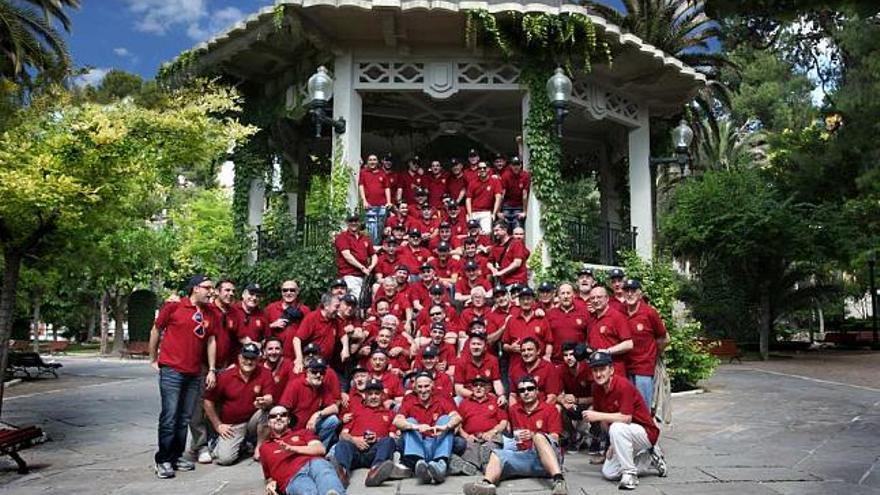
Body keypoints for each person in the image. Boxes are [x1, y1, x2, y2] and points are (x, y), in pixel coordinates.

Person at [149, 274, 219, 479]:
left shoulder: (210, 312)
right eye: (207, 287)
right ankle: (162, 460)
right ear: (195, 288)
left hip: (194, 372)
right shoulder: (174, 307)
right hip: (172, 370)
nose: (211, 291)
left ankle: (176, 456)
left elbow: (211, 340)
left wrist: (212, 369)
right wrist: (153, 357)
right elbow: (156, 329)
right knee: (170, 416)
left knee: (184, 418)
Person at [462, 376, 568, 495]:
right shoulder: (514, 410)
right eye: (522, 391)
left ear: (537, 391)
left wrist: (533, 435)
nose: (526, 392)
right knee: (497, 453)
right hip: (525, 457)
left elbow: (555, 438)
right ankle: (486, 484)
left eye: (530, 389)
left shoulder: (550, 409)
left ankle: (559, 481)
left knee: (538, 437)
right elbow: (511, 434)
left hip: (549, 459)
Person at [583, 351, 667, 490]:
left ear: (611, 370)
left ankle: (630, 474)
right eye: (595, 370)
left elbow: (626, 418)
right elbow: (605, 421)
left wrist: (597, 415)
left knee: (617, 427)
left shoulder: (623, 385)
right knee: (609, 473)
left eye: (602, 369)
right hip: (624, 433)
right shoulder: (597, 388)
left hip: (645, 432)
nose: (598, 374)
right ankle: (648, 457)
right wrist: (611, 445)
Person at [203, 343, 276, 465]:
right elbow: (207, 401)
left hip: (253, 421)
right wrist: (218, 425)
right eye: (245, 358)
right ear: (239, 358)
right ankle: (235, 444)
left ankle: (259, 447)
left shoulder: (265, 373)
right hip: (233, 425)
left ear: (258, 359)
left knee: (270, 411)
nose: (248, 362)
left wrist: (267, 400)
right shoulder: (225, 376)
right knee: (225, 459)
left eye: (252, 358)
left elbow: (269, 397)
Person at [259, 405, 347, 495]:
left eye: (283, 415)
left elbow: (320, 449)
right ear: (269, 422)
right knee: (307, 491)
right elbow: (269, 476)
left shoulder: (303, 432)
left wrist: (292, 448)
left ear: (288, 420)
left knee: (326, 477)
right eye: (273, 416)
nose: (278, 418)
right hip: (292, 477)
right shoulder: (264, 448)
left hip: (314, 463)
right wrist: (270, 483)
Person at [393, 371, 462, 484]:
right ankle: (421, 465)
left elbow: (457, 417)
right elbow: (397, 421)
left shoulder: (441, 399)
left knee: (446, 419)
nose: (423, 390)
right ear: (414, 387)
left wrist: (445, 427)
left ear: (432, 386)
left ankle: (440, 466)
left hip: (437, 442)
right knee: (409, 422)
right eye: (419, 387)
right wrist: (416, 427)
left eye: (426, 386)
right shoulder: (410, 401)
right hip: (418, 444)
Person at [332, 378, 398, 487]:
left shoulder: (390, 414)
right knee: (342, 444)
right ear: (365, 396)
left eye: (377, 394)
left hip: (375, 452)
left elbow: (394, 438)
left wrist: (377, 439)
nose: (373, 397)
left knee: (388, 441)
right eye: (370, 394)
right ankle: (342, 474)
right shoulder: (356, 412)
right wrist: (354, 440)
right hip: (355, 452)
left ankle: (375, 471)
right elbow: (342, 435)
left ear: (382, 396)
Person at [622, 279, 669, 409]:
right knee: (628, 407)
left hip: (643, 368)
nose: (630, 294)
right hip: (625, 367)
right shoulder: (620, 311)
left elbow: (664, 339)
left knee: (643, 407)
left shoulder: (649, 313)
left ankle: (647, 429)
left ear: (640, 293)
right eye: (627, 291)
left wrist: (653, 354)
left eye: (633, 291)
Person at [278, 358, 342, 449]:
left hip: (311, 427)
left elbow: (335, 408)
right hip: (294, 429)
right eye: (314, 372)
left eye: (322, 372)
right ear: (307, 372)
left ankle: (319, 450)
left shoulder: (323, 387)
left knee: (333, 420)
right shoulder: (295, 385)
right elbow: (283, 410)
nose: (318, 375)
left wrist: (317, 415)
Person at [451, 376, 509, 475]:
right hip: (472, 437)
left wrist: (492, 432)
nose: (478, 387)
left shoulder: (495, 400)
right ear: (471, 388)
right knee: (470, 448)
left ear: (487, 388)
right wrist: (467, 436)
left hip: (491, 436)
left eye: (482, 385)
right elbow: (458, 423)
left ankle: (483, 464)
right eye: (475, 385)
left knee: (490, 446)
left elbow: (503, 422)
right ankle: (474, 466)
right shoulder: (464, 403)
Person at [556, 342, 594, 452]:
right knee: (557, 406)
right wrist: (563, 400)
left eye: (571, 354)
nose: (568, 358)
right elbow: (555, 394)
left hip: (588, 403)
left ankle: (596, 438)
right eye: (565, 355)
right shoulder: (560, 370)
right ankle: (572, 436)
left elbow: (598, 397)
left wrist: (577, 400)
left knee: (596, 408)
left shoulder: (588, 368)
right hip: (571, 404)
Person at [453, 325, 506, 403]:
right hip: (467, 396)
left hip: (487, 397)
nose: (476, 347)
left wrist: (501, 395)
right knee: (456, 400)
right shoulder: (461, 361)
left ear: (485, 347)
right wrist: (477, 395)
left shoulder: (492, 360)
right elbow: (458, 389)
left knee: (502, 401)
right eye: (473, 344)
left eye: (479, 344)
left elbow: (496, 382)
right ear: (469, 346)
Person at [587, 287, 633, 377]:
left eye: (599, 297)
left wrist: (607, 351)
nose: (596, 300)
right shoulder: (591, 320)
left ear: (607, 298)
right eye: (593, 298)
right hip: (597, 372)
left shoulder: (617, 317)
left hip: (614, 371)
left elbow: (629, 344)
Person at [265, 280, 311, 360]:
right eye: (285, 290)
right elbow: (260, 331)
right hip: (274, 357)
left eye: (292, 290)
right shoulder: (271, 308)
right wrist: (272, 325)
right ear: (281, 292)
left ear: (297, 292)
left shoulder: (305, 310)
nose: (288, 293)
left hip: (296, 357)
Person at [508, 337, 562, 405]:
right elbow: (513, 395)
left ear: (538, 351)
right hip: (521, 411)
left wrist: (537, 414)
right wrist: (514, 412)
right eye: (523, 350)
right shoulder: (516, 369)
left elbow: (552, 397)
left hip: (542, 409)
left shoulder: (549, 368)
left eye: (530, 349)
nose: (526, 353)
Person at [293, 293, 340, 371]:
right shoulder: (312, 318)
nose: (338, 310)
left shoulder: (335, 320)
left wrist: (345, 348)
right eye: (336, 306)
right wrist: (299, 359)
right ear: (326, 306)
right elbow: (297, 339)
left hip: (326, 364)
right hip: (311, 364)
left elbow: (343, 334)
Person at [334, 214, 377, 299]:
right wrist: (362, 267)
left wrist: (371, 266)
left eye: (356, 221)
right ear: (347, 223)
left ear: (359, 222)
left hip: (364, 276)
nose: (353, 223)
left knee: (363, 301)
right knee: (356, 299)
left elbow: (374, 255)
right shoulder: (342, 237)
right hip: (349, 275)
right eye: (351, 221)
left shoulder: (365, 238)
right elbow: (347, 256)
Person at [546, 283, 589, 363]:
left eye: (568, 293)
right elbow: (547, 339)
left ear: (573, 295)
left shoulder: (584, 313)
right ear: (558, 296)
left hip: (580, 361)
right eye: (563, 293)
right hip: (557, 362)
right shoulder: (550, 314)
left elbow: (589, 337)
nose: (565, 296)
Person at [359, 153, 392, 243]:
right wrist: (364, 201)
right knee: (370, 229)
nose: (372, 162)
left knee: (380, 228)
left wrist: (389, 201)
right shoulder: (363, 172)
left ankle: (378, 247)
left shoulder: (382, 173)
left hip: (382, 206)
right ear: (367, 162)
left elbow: (387, 188)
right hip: (369, 206)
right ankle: (372, 248)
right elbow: (361, 186)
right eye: (370, 160)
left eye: (374, 160)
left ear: (377, 162)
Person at [465, 161, 503, 234]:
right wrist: (470, 216)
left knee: (486, 233)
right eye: (480, 168)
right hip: (473, 212)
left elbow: (498, 197)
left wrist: (494, 213)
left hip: (486, 212)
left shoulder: (495, 181)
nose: (482, 170)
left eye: (484, 168)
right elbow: (468, 199)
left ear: (488, 169)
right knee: (470, 234)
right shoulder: (472, 183)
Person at [488, 221, 529, 287]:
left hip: (517, 281)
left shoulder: (516, 243)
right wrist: (493, 269)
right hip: (503, 283)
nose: (495, 234)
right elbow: (489, 262)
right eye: (494, 231)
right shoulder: (495, 247)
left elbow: (517, 263)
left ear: (505, 230)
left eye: (497, 230)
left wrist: (501, 272)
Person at [227, 283, 268, 348]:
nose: (254, 298)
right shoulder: (231, 311)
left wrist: (260, 344)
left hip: (253, 355)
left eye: (258, 296)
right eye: (251, 294)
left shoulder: (262, 315)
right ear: (243, 294)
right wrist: (240, 338)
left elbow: (267, 337)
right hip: (232, 355)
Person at [500, 156, 529, 230]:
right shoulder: (505, 175)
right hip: (507, 205)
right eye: (514, 165)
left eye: (517, 164)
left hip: (518, 206)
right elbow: (502, 194)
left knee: (517, 228)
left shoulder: (525, 176)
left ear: (521, 165)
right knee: (504, 228)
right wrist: (498, 211)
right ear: (510, 166)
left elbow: (524, 195)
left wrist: (525, 211)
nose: (516, 167)